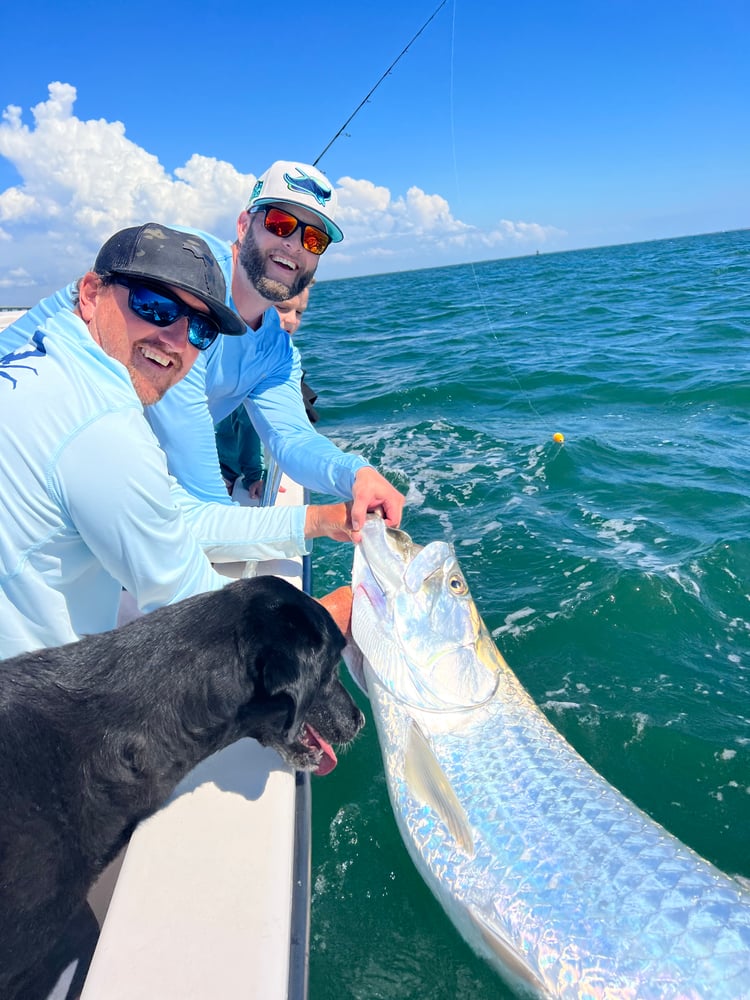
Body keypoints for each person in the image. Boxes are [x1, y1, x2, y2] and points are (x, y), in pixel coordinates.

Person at [0, 223, 354, 659]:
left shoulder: (47, 360)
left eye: (200, 330)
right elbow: (203, 615)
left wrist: (323, 519)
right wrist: (333, 614)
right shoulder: (104, 430)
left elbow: (183, 518)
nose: (174, 341)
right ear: (90, 294)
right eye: (153, 305)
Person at [3, 161, 406, 534]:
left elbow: (292, 438)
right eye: (280, 223)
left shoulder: (277, 352)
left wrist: (356, 473)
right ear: (244, 224)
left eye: (314, 239)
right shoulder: (188, 293)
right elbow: (201, 494)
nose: (295, 245)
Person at [215, 283, 317, 501]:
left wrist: (255, 475)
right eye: (281, 308)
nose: (291, 320)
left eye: (299, 312)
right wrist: (254, 475)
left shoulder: (281, 355)